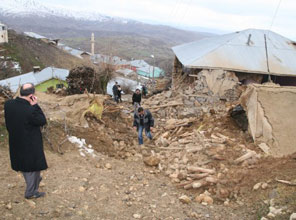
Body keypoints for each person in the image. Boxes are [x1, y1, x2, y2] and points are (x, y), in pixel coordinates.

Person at [4, 83, 47, 199]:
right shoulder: (30, 109)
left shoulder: (8, 104)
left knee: (24, 165)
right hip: (30, 142)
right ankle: (31, 192)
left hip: (15, 140)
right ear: (32, 95)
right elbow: (42, 121)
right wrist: (35, 106)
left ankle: (35, 182)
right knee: (32, 167)